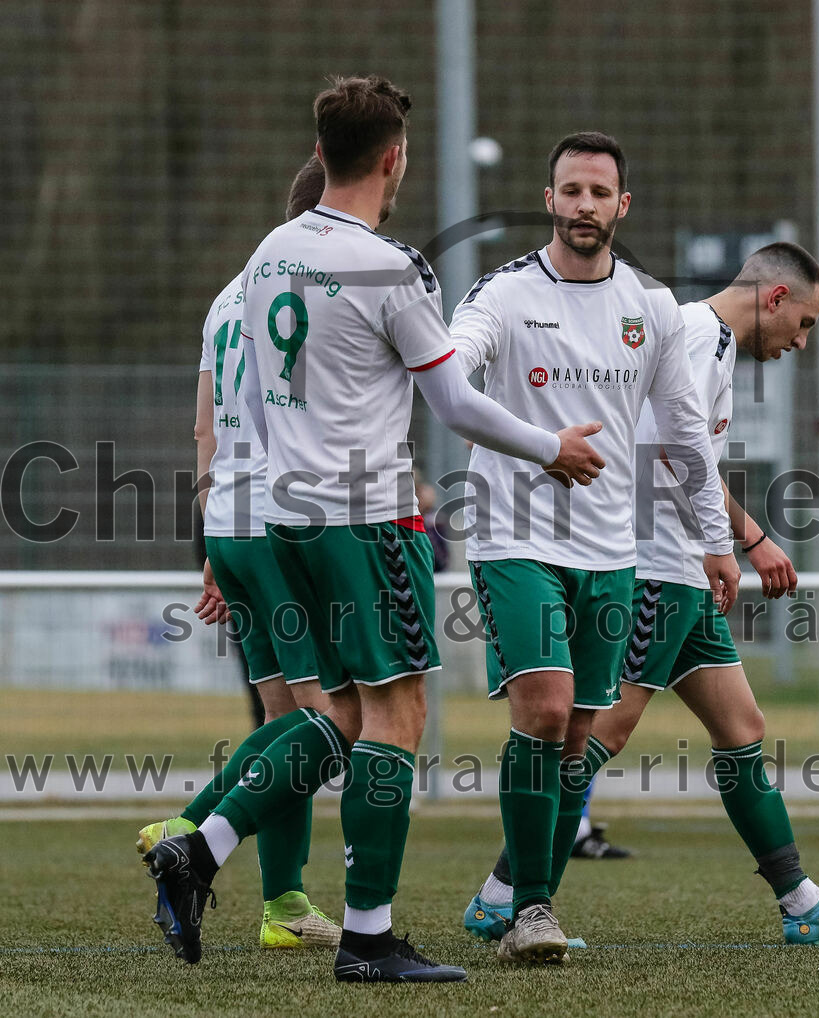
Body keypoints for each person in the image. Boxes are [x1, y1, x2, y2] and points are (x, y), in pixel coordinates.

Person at [142, 75, 604, 983]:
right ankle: (368, 937)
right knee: (398, 714)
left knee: (339, 716)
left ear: (321, 155)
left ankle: (202, 845)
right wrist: (552, 446)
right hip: (367, 517)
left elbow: (240, 409)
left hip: (285, 516)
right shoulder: (391, 266)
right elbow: (457, 404)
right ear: (394, 157)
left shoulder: (269, 253)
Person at [466, 242, 819, 947]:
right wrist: (745, 540)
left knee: (741, 729)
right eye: (807, 322)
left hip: (686, 573)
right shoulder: (694, 335)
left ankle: (800, 900)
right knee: (598, 734)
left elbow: (691, 454)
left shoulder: (714, 343)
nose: (803, 340)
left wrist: (723, 548)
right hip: (655, 569)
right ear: (776, 298)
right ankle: (505, 894)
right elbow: (668, 452)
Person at [450, 131, 740, 964]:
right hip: (514, 536)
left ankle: (515, 899)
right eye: (569, 190)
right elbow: (452, 375)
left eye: (598, 192)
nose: (584, 206)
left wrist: (716, 543)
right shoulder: (503, 295)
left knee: (576, 737)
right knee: (541, 709)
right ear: (549, 200)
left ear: (623, 205)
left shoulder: (648, 305)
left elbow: (686, 432)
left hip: (612, 551)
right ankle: (531, 910)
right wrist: (544, 445)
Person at [137, 156, 352, 953]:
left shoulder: (229, 294)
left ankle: (284, 904)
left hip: (229, 518)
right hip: (289, 520)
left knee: (280, 718)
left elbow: (205, 427)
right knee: (332, 722)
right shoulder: (311, 286)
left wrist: (211, 542)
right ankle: (190, 831)